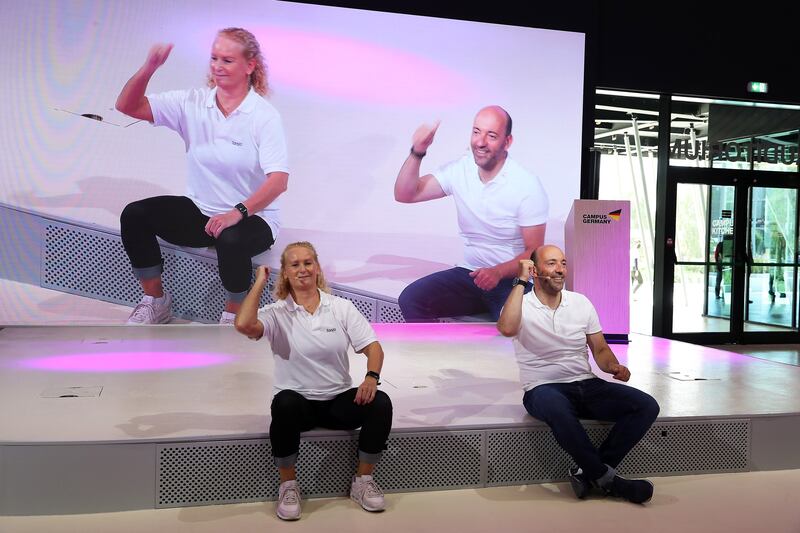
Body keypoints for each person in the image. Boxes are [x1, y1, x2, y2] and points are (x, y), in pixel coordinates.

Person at [116, 28, 289, 325]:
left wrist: (237, 212)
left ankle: (235, 314)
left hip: (253, 218)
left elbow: (278, 181)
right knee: (135, 214)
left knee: (231, 240)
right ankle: (155, 301)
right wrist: (149, 69)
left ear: (250, 66)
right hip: (201, 212)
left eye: (228, 60)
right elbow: (127, 106)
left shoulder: (264, 117)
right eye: (214, 58)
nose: (218, 66)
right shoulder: (193, 103)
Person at [234, 241, 393, 520]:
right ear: (285, 272)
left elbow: (373, 347)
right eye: (294, 265)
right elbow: (244, 325)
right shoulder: (276, 312)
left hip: (337, 402)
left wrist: (371, 377)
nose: (303, 269)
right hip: (299, 406)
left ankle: (363, 482)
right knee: (283, 403)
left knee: (380, 402)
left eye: (308, 263)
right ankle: (288, 485)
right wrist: (259, 282)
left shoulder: (341, 307)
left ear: (317, 267)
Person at [497, 245, 660, 504]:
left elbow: (600, 349)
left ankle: (590, 474)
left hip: (586, 383)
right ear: (535, 270)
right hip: (542, 387)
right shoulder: (521, 303)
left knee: (646, 405)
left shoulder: (580, 302)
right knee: (558, 409)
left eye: (563, 263)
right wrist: (520, 281)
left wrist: (613, 367)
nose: (560, 269)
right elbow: (506, 328)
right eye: (551, 263)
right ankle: (610, 481)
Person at [394, 106, 548, 322]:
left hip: (512, 280)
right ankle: (432, 356)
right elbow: (405, 194)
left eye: (491, 135)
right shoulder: (460, 170)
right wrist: (418, 151)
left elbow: (535, 253)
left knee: (515, 321)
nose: (480, 141)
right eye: (476, 132)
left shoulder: (526, 185)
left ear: (507, 142)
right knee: (412, 299)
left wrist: (497, 272)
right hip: (470, 275)